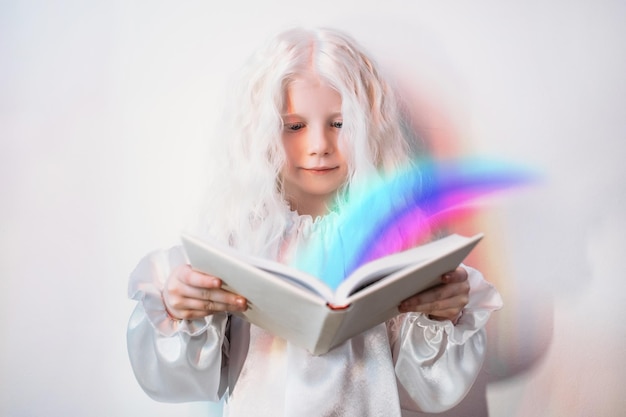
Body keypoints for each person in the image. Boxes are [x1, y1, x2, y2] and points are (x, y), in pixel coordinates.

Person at [127, 27, 503, 416]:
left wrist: (441, 315)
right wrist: (183, 308)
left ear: (367, 127)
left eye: (338, 124)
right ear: (264, 132)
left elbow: (430, 386)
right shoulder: (237, 238)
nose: (319, 144)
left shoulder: (396, 240)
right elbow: (185, 376)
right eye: (295, 126)